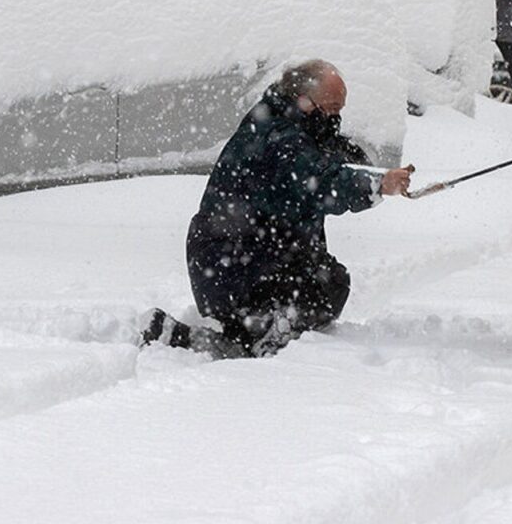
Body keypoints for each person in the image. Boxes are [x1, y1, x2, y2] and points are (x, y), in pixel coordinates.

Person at [141, 60, 412, 357]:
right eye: (332, 107)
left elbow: (320, 158)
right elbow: (320, 181)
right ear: (304, 101)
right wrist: (376, 184)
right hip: (237, 262)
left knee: (320, 279)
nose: (336, 117)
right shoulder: (281, 137)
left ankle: (201, 334)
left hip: (226, 262)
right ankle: (260, 338)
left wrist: (367, 171)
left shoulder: (281, 121)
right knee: (327, 285)